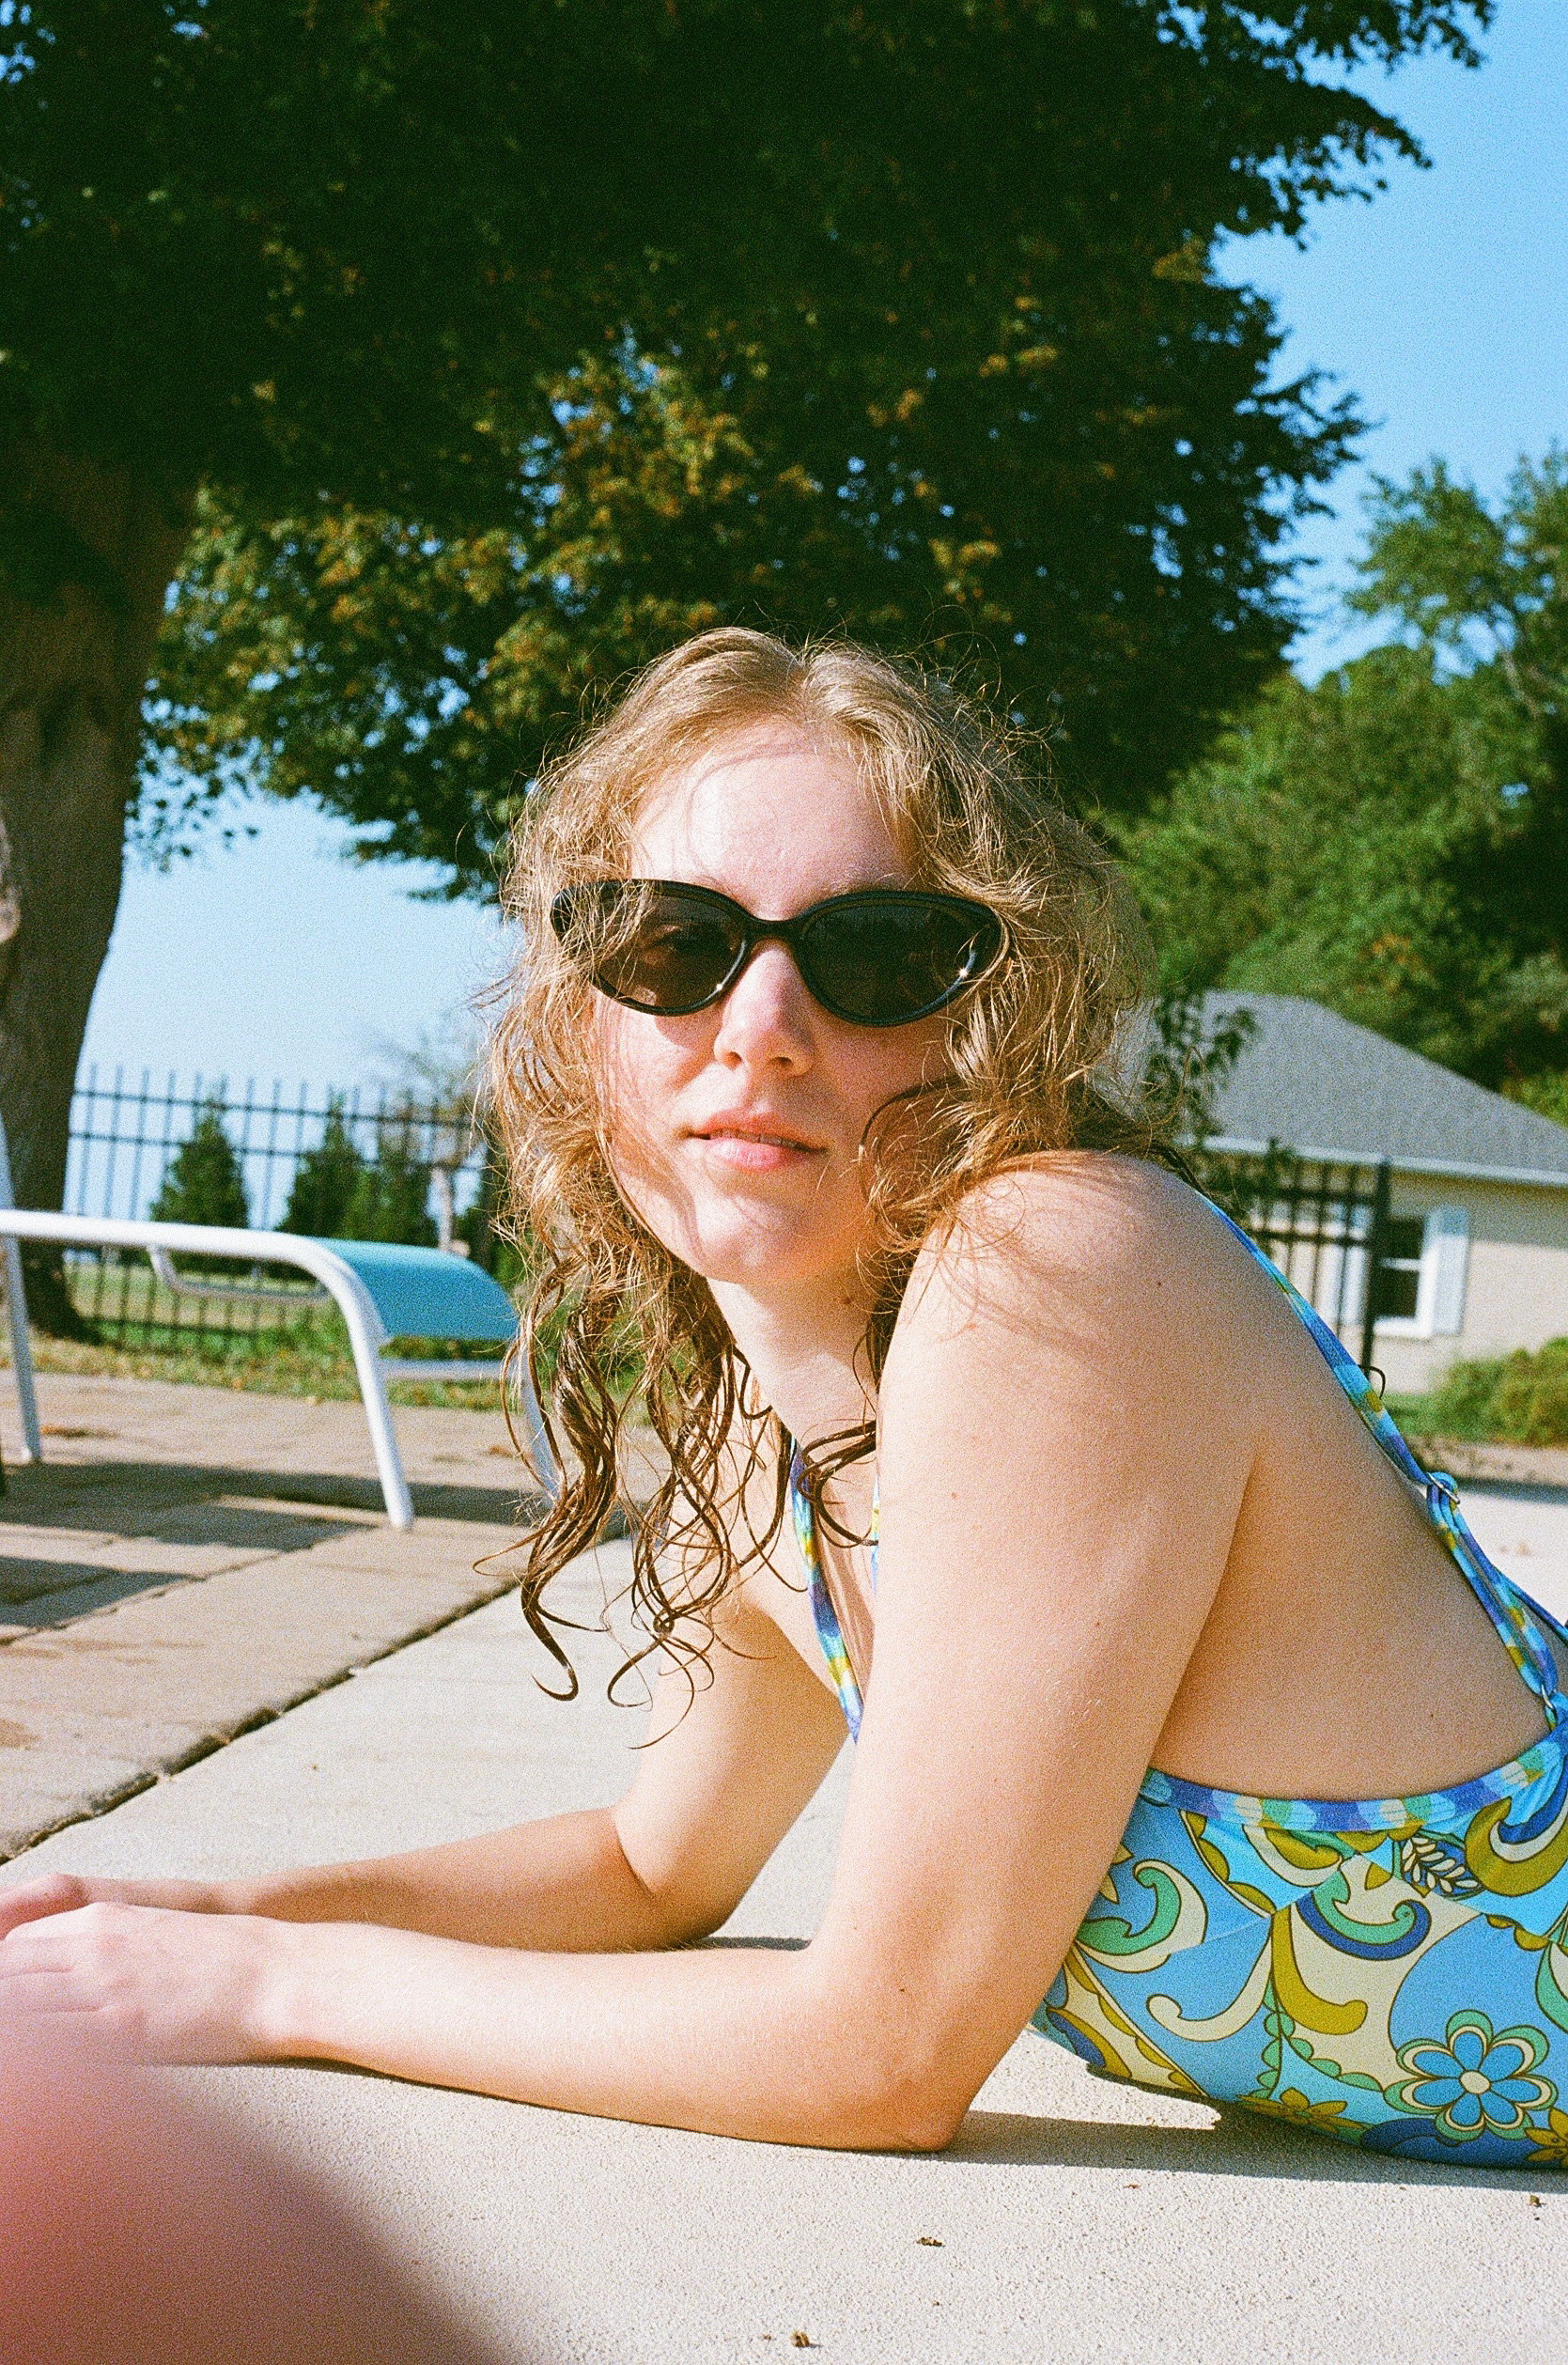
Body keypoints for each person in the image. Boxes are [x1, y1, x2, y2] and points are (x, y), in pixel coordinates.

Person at [4, 630, 1567, 2171]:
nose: (757, 1021)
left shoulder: (1062, 1268)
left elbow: (880, 2051)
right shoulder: (762, 1448)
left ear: (983, 1014)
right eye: (672, 944)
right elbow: (646, 1866)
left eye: (877, 951)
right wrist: (206, 1916)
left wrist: (282, 1985)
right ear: (576, 1013)